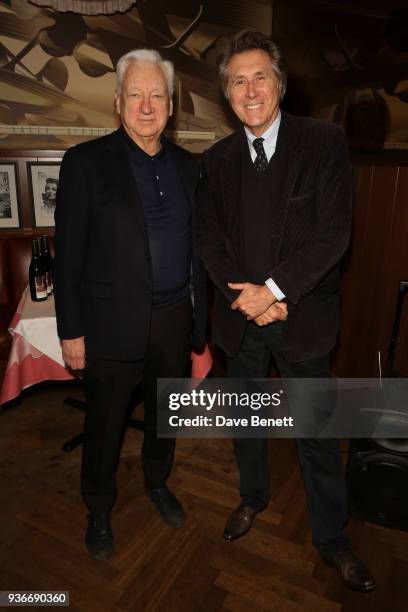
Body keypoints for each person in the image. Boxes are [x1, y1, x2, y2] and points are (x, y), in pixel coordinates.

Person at [198, 31, 375, 592]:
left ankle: (330, 537)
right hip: (239, 320)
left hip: (302, 319)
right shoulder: (216, 159)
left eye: (260, 77)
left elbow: (332, 236)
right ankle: (251, 498)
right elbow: (209, 241)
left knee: (315, 433)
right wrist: (243, 299)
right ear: (227, 94)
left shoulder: (323, 142)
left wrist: (273, 292)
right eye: (238, 81)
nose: (250, 90)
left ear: (279, 83)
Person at [54, 48, 206, 560]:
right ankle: (98, 508)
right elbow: (68, 254)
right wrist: (70, 331)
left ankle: (157, 483)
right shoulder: (85, 162)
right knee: (105, 423)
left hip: (172, 321)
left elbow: (200, 247)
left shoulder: (190, 167)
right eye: (135, 95)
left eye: (157, 95)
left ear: (170, 104)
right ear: (118, 103)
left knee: (167, 414)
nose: (147, 106)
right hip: (109, 324)